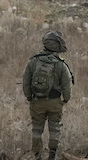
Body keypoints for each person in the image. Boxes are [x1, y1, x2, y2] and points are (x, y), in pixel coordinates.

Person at [22, 30, 74, 160]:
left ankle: (37, 156)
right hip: (55, 102)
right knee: (55, 129)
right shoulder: (61, 65)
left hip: (37, 102)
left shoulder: (33, 62)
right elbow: (67, 85)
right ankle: (52, 156)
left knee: (37, 130)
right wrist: (65, 100)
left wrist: (29, 97)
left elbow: (26, 82)